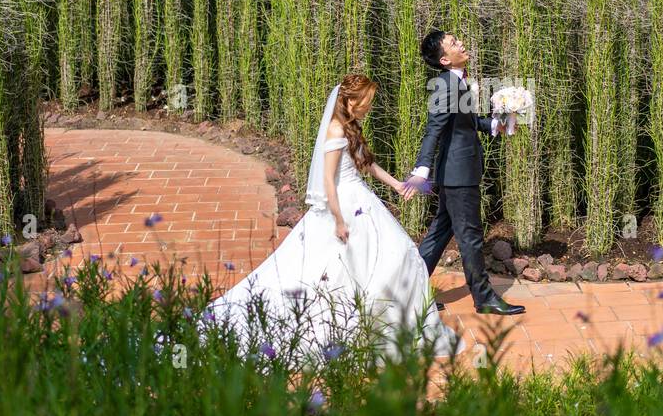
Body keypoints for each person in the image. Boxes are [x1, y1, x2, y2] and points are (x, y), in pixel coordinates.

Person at [208, 74, 460, 363]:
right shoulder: (336, 130)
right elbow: (328, 179)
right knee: (344, 264)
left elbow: (368, 164)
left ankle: (385, 320)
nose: (369, 106)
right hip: (344, 203)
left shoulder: (351, 128)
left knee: (396, 253)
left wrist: (398, 184)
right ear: (350, 100)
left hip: (361, 199)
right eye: (366, 101)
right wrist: (338, 219)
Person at [404, 30, 525, 316]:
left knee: (440, 231)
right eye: (454, 43)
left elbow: (465, 125)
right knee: (470, 236)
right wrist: (421, 167)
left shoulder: (457, 81)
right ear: (444, 59)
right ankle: (483, 298)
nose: (462, 43)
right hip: (458, 173)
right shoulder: (446, 85)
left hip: (457, 170)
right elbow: (434, 128)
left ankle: (408, 291)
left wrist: (497, 124)